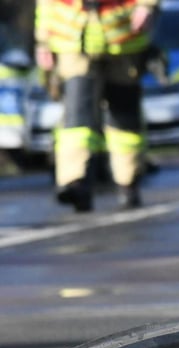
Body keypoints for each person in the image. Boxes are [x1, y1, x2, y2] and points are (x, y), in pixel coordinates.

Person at [34, 0, 160, 212]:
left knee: (124, 118)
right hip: (73, 41)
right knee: (77, 116)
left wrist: (147, 6)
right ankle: (75, 182)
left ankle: (127, 181)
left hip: (122, 39)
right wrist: (43, 42)